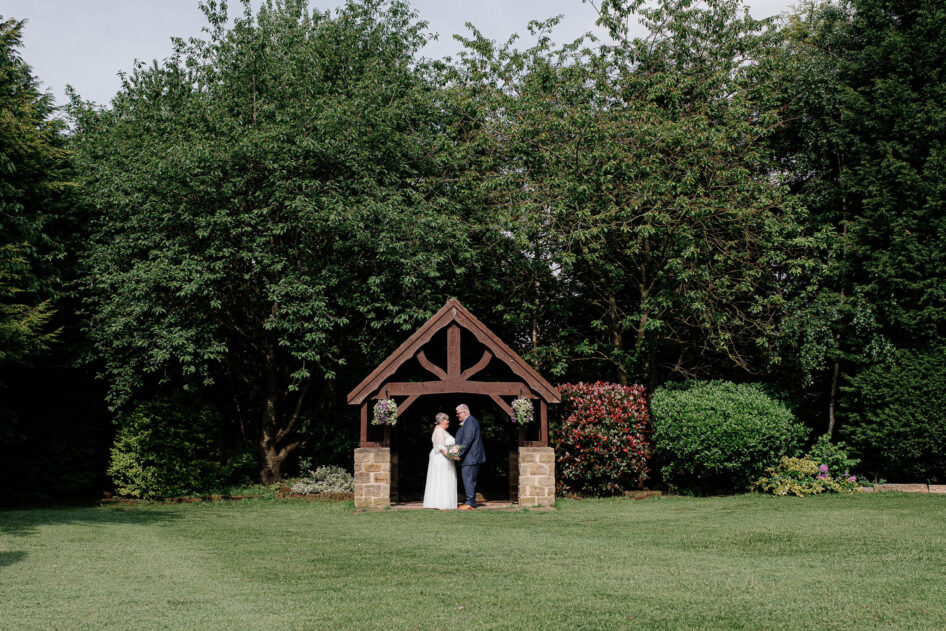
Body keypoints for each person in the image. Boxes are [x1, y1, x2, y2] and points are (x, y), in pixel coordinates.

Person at [422, 412, 458, 510]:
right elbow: (441, 448)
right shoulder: (438, 431)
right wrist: (452, 456)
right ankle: (440, 503)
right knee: (441, 478)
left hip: (445, 458)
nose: (448, 422)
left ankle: (445, 502)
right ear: (441, 421)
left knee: (444, 478)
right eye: (447, 420)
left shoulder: (442, 430)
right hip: (441, 459)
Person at [453, 403, 485, 510]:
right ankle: (469, 501)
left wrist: (459, 454)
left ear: (465, 412)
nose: (457, 416)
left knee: (468, 480)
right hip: (470, 457)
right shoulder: (468, 421)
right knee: (468, 479)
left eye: (458, 414)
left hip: (470, 457)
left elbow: (467, 441)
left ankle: (470, 503)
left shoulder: (470, 422)